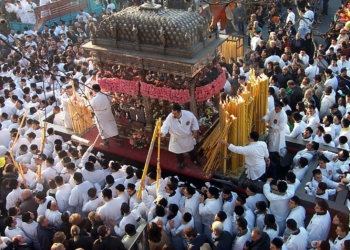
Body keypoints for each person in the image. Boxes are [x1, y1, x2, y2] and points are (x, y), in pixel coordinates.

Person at [160, 103, 200, 170]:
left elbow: (194, 121)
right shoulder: (170, 117)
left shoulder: (188, 114)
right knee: (178, 152)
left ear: (179, 112)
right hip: (176, 137)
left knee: (191, 150)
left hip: (186, 136)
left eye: (175, 114)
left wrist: (195, 130)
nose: (173, 115)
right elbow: (165, 125)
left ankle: (194, 160)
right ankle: (180, 162)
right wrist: (162, 132)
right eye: (172, 113)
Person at [90, 84, 121, 148]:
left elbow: (91, 109)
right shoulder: (107, 94)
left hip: (100, 116)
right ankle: (118, 142)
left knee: (102, 130)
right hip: (108, 114)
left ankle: (106, 144)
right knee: (112, 127)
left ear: (93, 90)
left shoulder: (93, 100)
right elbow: (111, 98)